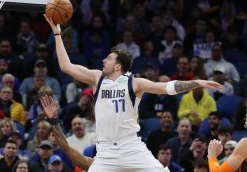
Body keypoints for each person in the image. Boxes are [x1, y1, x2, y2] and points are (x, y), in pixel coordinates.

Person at [41, 14, 223, 172]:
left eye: (109, 58)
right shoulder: (97, 78)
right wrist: (57, 33)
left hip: (131, 147)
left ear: (118, 66)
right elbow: (66, 66)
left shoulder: (134, 82)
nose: (104, 60)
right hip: (105, 152)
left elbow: (167, 88)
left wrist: (197, 82)